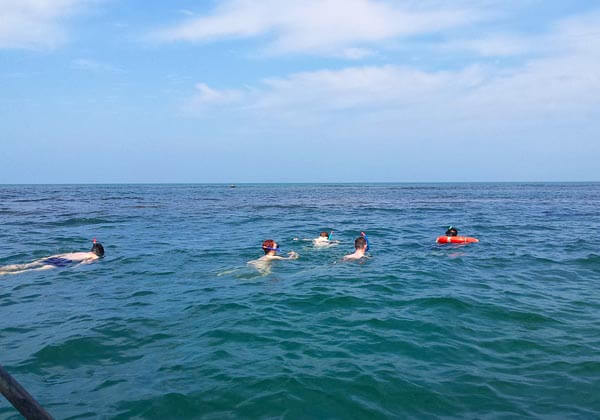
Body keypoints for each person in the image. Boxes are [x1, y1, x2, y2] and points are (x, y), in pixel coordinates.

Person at [0, 239, 104, 276]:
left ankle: (4, 268)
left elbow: (61, 255)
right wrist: (74, 269)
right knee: (34, 270)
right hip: (64, 262)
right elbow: (83, 263)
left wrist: (46, 257)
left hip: (57, 258)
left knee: (27, 265)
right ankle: (8, 273)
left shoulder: (83, 252)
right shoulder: (94, 257)